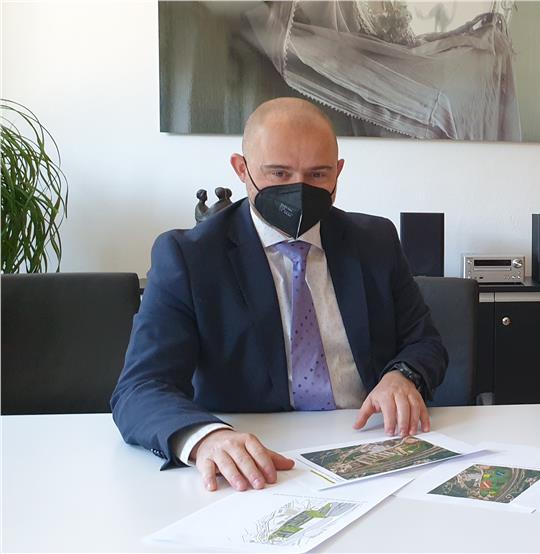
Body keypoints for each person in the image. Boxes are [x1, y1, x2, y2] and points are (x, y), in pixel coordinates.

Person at [111, 97, 447, 494]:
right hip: (253, 460)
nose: (298, 189)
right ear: (241, 168)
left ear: (338, 172)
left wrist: (402, 376)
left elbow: (424, 342)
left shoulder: (375, 241)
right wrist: (206, 438)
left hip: (372, 447)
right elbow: (140, 388)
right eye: (279, 173)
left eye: (317, 174)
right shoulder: (189, 256)